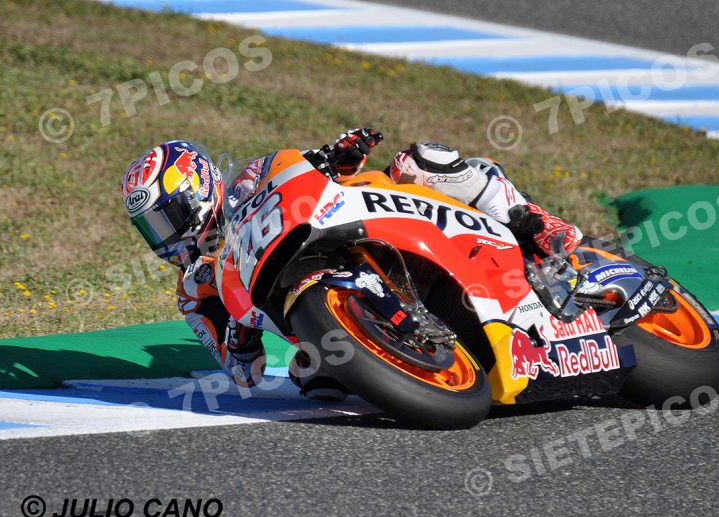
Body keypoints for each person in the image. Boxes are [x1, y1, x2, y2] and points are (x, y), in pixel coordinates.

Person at [120, 129, 582, 391]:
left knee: (419, 159)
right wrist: (239, 333)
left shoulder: (250, 177)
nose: (165, 237)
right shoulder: (193, 292)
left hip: (372, 222)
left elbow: (306, 173)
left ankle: (536, 222)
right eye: (152, 229)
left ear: (197, 190)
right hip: (322, 323)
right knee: (310, 377)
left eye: (167, 218)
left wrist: (340, 155)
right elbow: (245, 373)